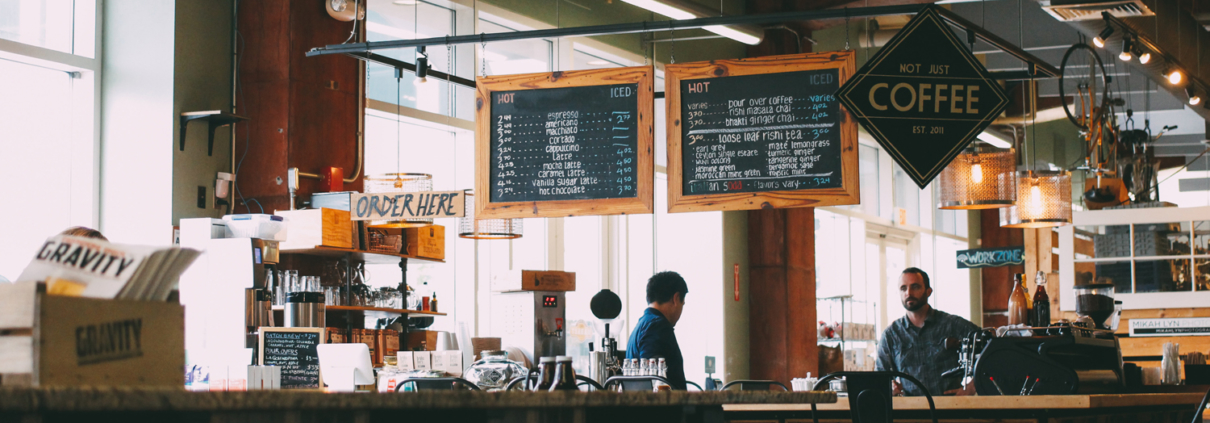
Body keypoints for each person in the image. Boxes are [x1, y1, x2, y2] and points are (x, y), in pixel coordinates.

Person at [876, 267, 979, 397]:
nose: (908, 293)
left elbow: (992, 352)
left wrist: (971, 387)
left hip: (951, 410)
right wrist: (890, 388)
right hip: (911, 412)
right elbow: (879, 378)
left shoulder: (953, 325)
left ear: (928, 291)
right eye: (903, 288)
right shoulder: (891, 335)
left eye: (915, 287)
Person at [626, 271, 688, 390]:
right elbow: (655, 379)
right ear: (675, 298)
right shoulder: (657, 326)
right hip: (663, 407)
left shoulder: (641, 324)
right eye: (682, 304)